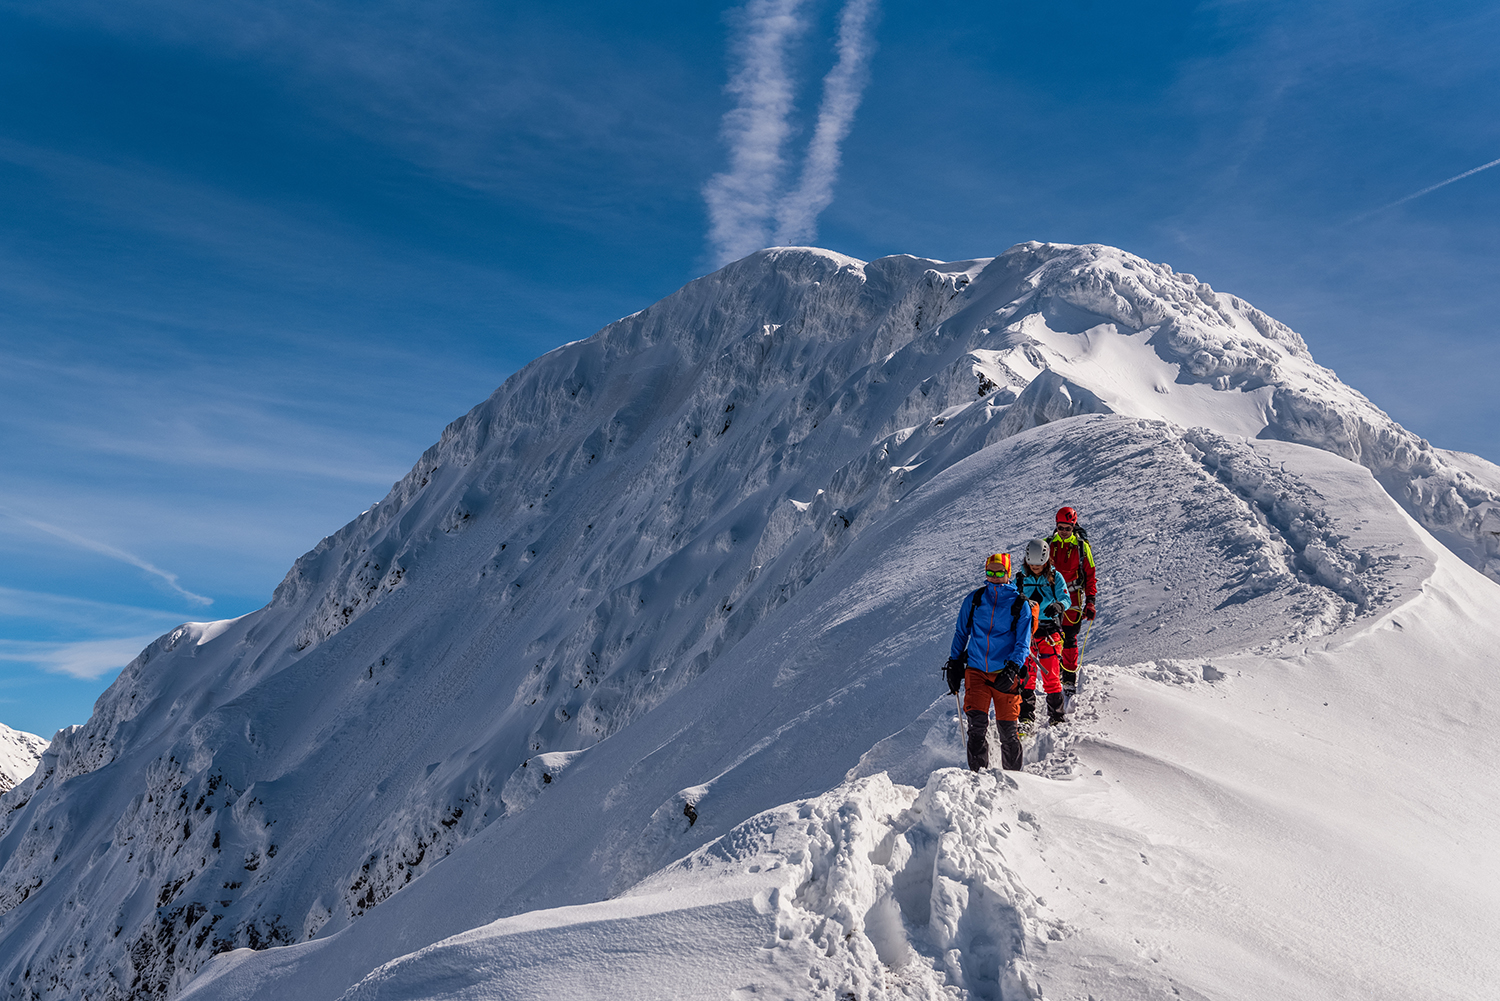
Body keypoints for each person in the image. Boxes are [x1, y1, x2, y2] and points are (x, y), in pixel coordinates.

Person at [944, 553, 1034, 771]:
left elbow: (1023, 643)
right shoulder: (974, 600)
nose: (994, 576)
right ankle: (977, 780)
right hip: (976, 671)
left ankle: (1013, 781)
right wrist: (954, 663)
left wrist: (1012, 668)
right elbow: (961, 633)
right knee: (976, 728)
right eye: (990, 572)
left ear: (1008, 573)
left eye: (999, 572)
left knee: (1008, 732)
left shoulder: (1020, 605)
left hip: (1005, 673)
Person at [1014, 538, 1072, 727]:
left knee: (1051, 673)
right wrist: (1017, 601)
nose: (1035, 567)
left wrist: (1059, 605)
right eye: (1031, 564)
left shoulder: (1055, 577)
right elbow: (1011, 598)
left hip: (1049, 629)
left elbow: (1066, 597)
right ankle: (1025, 716)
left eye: (1039, 564)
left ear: (1046, 561)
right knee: (1027, 674)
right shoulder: (1021, 578)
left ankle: (1057, 715)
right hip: (1027, 630)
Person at [1046, 507, 1097, 710]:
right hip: (1051, 598)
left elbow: (1090, 575)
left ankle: (1068, 678)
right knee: (1051, 636)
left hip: (1074, 599)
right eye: (1060, 527)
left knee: (1069, 638)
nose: (1064, 531)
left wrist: (1090, 601)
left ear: (1074, 526)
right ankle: (1055, 673)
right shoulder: (1049, 545)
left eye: (1067, 528)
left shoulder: (1082, 548)